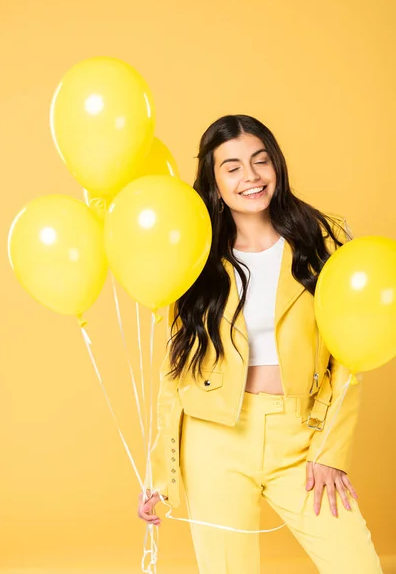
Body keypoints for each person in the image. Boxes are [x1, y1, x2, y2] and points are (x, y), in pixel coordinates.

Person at [137, 114, 383, 573]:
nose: (250, 177)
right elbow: (177, 372)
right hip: (214, 439)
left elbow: (351, 355)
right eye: (232, 167)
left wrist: (330, 452)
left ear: (277, 167)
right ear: (214, 182)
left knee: (357, 565)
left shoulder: (323, 238)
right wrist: (160, 475)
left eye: (260, 161)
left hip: (301, 435)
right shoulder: (196, 254)